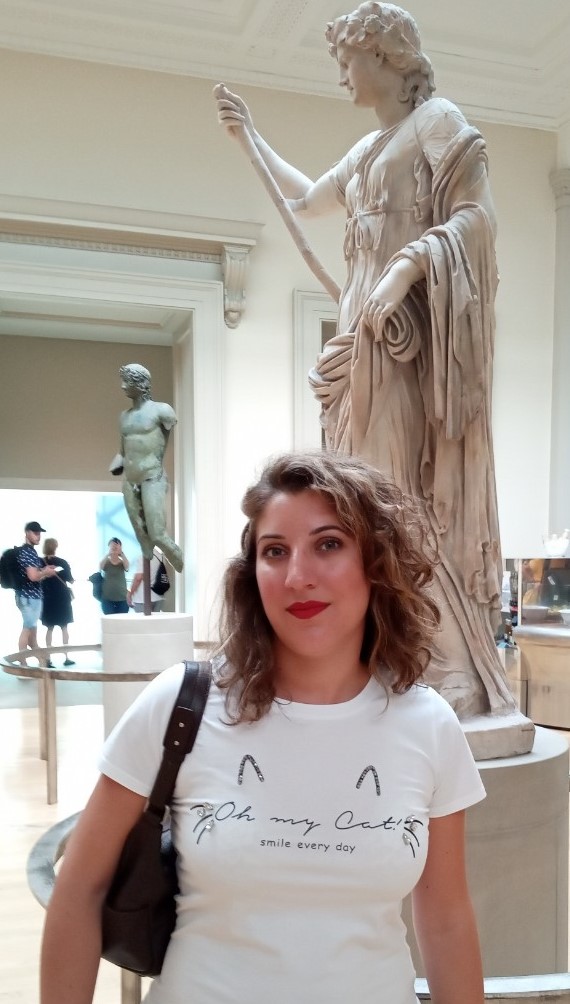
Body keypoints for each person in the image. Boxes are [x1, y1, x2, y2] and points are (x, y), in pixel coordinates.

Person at [40, 451, 485, 1004]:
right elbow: (80, 888)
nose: (298, 577)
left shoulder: (428, 724)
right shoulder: (183, 704)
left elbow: (445, 917)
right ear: (252, 573)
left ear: (376, 562)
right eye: (275, 551)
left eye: (328, 544)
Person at [214, 3, 515, 722]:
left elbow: (477, 219)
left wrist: (406, 268)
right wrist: (250, 136)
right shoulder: (370, 147)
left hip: (403, 344)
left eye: (348, 60)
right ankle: (387, 653)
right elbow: (306, 199)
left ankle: (446, 666)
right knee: (359, 507)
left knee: (398, 502)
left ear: (384, 56)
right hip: (360, 342)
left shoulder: (437, 122)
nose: (342, 75)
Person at [109, 362, 183, 573]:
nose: (123, 386)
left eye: (127, 381)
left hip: (152, 477)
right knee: (143, 538)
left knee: (157, 534)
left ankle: (181, 562)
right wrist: (117, 462)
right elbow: (122, 450)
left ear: (141, 383)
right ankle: (149, 558)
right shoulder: (124, 416)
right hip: (130, 480)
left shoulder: (162, 411)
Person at [15, 520, 57, 662]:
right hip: (30, 597)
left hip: (27, 596)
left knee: (32, 634)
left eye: (39, 533)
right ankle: (23, 663)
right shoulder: (28, 552)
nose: (38, 536)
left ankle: (42, 662)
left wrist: (44, 571)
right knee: (27, 629)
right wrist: (45, 572)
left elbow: (33, 575)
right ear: (27, 533)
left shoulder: (26, 551)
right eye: (35, 533)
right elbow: (33, 576)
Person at [41, 538, 75, 667]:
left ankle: (48, 658)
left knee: (49, 628)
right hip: (62, 598)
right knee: (64, 627)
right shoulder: (62, 562)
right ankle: (66, 657)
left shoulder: (40, 562)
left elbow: (38, 578)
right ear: (56, 547)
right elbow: (71, 580)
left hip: (47, 598)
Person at [127, 547, 166, 613]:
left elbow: (138, 578)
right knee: (155, 619)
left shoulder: (143, 557)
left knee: (143, 619)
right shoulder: (160, 556)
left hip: (142, 598)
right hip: (158, 596)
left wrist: (130, 594)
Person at [99, 537, 130, 615]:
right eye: (112, 545)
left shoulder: (122, 562)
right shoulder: (106, 561)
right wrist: (108, 554)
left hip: (122, 598)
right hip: (107, 598)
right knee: (109, 620)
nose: (114, 547)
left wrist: (121, 553)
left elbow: (127, 566)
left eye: (117, 545)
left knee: (122, 620)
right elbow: (101, 566)